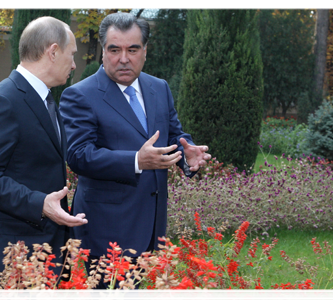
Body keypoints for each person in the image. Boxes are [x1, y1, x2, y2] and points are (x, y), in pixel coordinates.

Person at [60, 12, 211, 299]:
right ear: (103, 51)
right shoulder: (80, 95)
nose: (123, 58)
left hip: (150, 220)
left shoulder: (159, 88)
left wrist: (186, 151)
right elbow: (78, 155)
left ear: (145, 51)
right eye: (114, 50)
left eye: (133, 49)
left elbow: (170, 135)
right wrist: (135, 161)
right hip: (107, 227)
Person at [0, 16, 88, 279]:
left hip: (44, 250)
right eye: (72, 54)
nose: (75, 64)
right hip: (11, 254)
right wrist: (40, 203)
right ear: (53, 52)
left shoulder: (46, 98)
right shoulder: (2, 101)